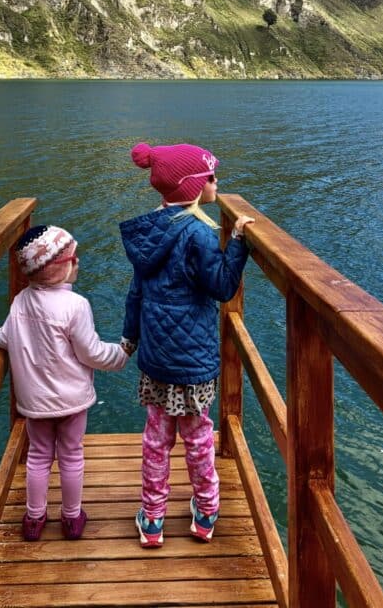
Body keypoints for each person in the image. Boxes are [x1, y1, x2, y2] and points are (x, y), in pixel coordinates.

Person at [119, 142, 254, 548]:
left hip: (157, 359)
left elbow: (135, 295)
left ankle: (154, 518)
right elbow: (222, 287)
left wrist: (131, 338)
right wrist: (240, 244)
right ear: (192, 187)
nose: (216, 182)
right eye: (210, 176)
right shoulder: (199, 232)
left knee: (156, 440)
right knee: (198, 439)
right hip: (194, 361)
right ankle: (206, 511)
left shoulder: (149, 232)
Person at [0, 224, 128, 541]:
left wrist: (5, 340)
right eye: (73, 258)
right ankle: (71, 517)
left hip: (34, 403)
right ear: (57, 267)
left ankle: (34, 518)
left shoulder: (19, 304)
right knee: (71, 455)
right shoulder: (76, 306)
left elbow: (2, 337)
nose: (77, 262)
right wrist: (121, 354)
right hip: (71, 400)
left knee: (38, 456)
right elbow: (92, 352)